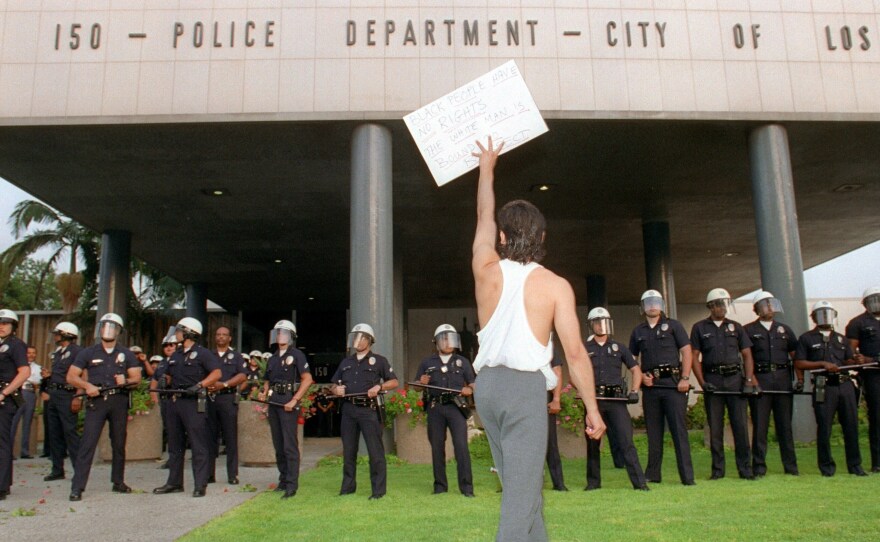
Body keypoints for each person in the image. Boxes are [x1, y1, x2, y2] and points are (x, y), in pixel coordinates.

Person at [470, 136, 605, 542]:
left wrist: (486, 168)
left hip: (487, 391)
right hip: (524, 391)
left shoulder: (485, 268)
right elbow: (577, 355)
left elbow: (483, 214)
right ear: (543, 239)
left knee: (522, 489)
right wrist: (592, 410)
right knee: (520, 497)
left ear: (502, 238)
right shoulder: (555, 286)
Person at [66, 313, 141, 501]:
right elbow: (71, 376)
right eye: (105, 326)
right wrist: (87, 386)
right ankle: (77, 487)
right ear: (100, 329)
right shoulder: (88, 352)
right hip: (97, 400)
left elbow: (137, 379)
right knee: (88, 443)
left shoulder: (127, 354)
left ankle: (118, 481)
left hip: (118, 401)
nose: (108, 330)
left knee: (118, 442)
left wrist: (126, 381)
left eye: (112, 327)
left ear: (118, 331)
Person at [629, 289, 695, 485]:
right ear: (643, 307)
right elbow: (632, 360)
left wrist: (685, 377)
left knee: (679, 431)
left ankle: (687, 477)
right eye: (648, 302)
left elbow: (687, 352)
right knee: (653, 432)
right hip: (651, 388)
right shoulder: (638, 331)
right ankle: (653, 474)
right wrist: (641, 377)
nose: (652, 305)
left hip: (674, 386)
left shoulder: (674, 326)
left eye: (656, 302)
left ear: (662, 305)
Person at [691, 288, 756, 480]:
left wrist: (749, 381)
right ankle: (718, 471)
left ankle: (745, 469)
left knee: (740, 427)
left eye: (725, 304)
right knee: (715, 429)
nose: (722, 308)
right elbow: (694, 357)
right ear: (710, 306)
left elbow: (747, 355)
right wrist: (703, 382)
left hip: (735, 380)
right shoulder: (700, 328)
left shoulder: (736, 327)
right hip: (713, 380)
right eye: (718, 304)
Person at [795, 301, 867, 476]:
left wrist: (856, 361)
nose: (825, 318)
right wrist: (821, 363)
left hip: (845, 385)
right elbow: (799, 362)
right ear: (813, 317)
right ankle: (827, 467)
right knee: (824, 427)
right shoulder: (806, 338)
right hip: (824, 386)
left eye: (827, 313)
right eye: (820, 314)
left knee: (851, 426)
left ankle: (855, 466)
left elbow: (847, 360)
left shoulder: (841, 338)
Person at [153, 317, 221, 497]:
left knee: (198, 444)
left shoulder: (203, 353)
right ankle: (174, 482)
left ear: (190, 332)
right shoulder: (175, 355)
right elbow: (168, 375)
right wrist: (163, 380)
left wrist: (200, 385)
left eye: (180, 330)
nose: (177, 333)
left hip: (192, 402)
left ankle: (200, 484)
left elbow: (216, 373)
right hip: (174, 401)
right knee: (174, 445)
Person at [584, 307, 648, 491]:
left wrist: (635, 390)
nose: (600, 326)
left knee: (626, 441)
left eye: (603, 321)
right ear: (591, 325)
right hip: (594, 401)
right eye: (597, 322)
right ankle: (593, 483)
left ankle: (639, 483)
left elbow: (636, 370)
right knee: (592, 443)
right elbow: (575, 373)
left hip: (616, 402)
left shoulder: (619, 347)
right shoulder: (584, 349)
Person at [332, 323, 398, 500]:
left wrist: (379, 386)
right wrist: (335, 390)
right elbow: (333, 384)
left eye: (361, 337)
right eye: (355, 337)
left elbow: (394, 382)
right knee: (349, 451)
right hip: (348, 410)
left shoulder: (379, 361)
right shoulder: (346, 362)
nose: (357, 341)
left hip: (369, 410)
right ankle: (347, 487)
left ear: (369, 341)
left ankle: (378, 491)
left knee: (375, 451)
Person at [415, 324, 476, 497]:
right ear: (436, 342)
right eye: (444, 339)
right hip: (436, 408)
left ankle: (467, 488)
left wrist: (469, 390)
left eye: (451, 339)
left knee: (461, 447)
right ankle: (440, 486)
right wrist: (422, 383)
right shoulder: (427, 362)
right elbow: (417, 387)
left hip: (456, 407)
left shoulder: (462, 362)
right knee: (437, 447)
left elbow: (472, 383)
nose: (448, 343)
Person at [744, 291, 799, 477]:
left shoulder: (785, 329)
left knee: (785, 425)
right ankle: (759, 467)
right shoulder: (749, 330)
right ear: (757, 309)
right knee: (760, 425)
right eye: (764, 305)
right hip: (762, 378)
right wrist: (752, 379)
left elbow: (795, 355)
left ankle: (791, 467)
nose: (769, 308)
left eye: (771, 304)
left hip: (783, 379)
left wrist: (799, 378)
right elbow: (746, 357)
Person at [259, 320, 313, 499]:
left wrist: (295, 399)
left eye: (283, 332)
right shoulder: (273, 358)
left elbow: (307, 379)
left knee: (290, 445)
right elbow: (267, 380)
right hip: (274, 402)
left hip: (288, 401)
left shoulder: (297, 355)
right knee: (278, 444)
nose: (279, 335)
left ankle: (292, 484)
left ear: (291, 336)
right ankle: (283, 480)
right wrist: (264, 394)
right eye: (278, 332)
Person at [845, 286, 880, 472]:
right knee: (877, 417)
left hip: (873, 363)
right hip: (872, 375)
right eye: (872, 300)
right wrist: (860, 359)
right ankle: (878, 462)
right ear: (865, 304)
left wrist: (872, 359)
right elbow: (850, 352)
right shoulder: (857, 323)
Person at [207, 326, 246, 485]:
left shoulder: (236, 356)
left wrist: (224, 384)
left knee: (230, 438)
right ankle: (209, 474)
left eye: (224, 335)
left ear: (230, 338)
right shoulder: (208, 355)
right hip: (210, 399)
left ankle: (232, 475)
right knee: (209, 438)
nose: (221, 337)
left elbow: (243, 375)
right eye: (218, 334)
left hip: (227, 398)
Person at [43, 322, 83, 482]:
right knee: (54, 433)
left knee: (70, 432)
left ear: (68, 334)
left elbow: (83, 374)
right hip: (54, 393)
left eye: (58, 333)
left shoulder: (77, 352)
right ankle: (57, 469)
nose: (56, 336)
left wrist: (78, 396)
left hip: (68, 394)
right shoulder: (58, 353)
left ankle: (79, 470)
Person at [0, 309, 31, 501]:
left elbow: (25, 372)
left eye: (6, 323)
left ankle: (2, 486)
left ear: (13, 327)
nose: (1, 326)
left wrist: (4, 392)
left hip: (5, 398)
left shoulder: (16, 345)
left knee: (2, 442)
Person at [150, 334, 177, 465]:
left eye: (171, 345)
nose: (168, 347)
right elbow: (154, 381)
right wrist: (154, 397)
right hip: (165, 399)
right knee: (169, 430)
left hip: (178, 398)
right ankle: (172, 459)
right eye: (165, 345)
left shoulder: (181, 360)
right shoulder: (162, 364)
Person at [11, 346, 41, 458]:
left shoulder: (38, 368)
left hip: (30, 393)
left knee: (27, 422)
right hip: (19, 392)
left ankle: (25, 451)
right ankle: (9, 451)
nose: (31, 355)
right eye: (29, 353)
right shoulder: (17, 366)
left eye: (34, 353)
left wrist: (26, 378)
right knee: (14, 421)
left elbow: (37, 381)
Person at [545, 354, 567, 491]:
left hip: (544, 396)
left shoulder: (547, 346)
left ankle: (558, 483)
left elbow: (557, 372)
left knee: (550, 442)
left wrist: (556, 399)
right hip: (521, 397)